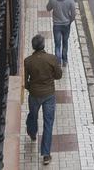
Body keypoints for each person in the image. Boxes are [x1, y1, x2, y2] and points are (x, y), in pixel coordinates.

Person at [24, 33, 62, 165]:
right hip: (49, 96)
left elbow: (25, 81)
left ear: (33, 47)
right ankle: (46, 154)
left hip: (34, 94)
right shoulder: (52, 59)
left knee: (33, 116)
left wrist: (31, 88)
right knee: (48, 123)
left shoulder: (28, 61)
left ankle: (32, 132)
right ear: (43, 45)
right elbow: (58, 76)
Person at [47, 0, 77, 67]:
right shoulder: (70, 0)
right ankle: (65, 60)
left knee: (57, 45)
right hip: (66, 25)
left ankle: (58, 62)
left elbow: (48, 8)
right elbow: (74, 14)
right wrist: (70, 21)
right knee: (65, 42)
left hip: (56, 25)